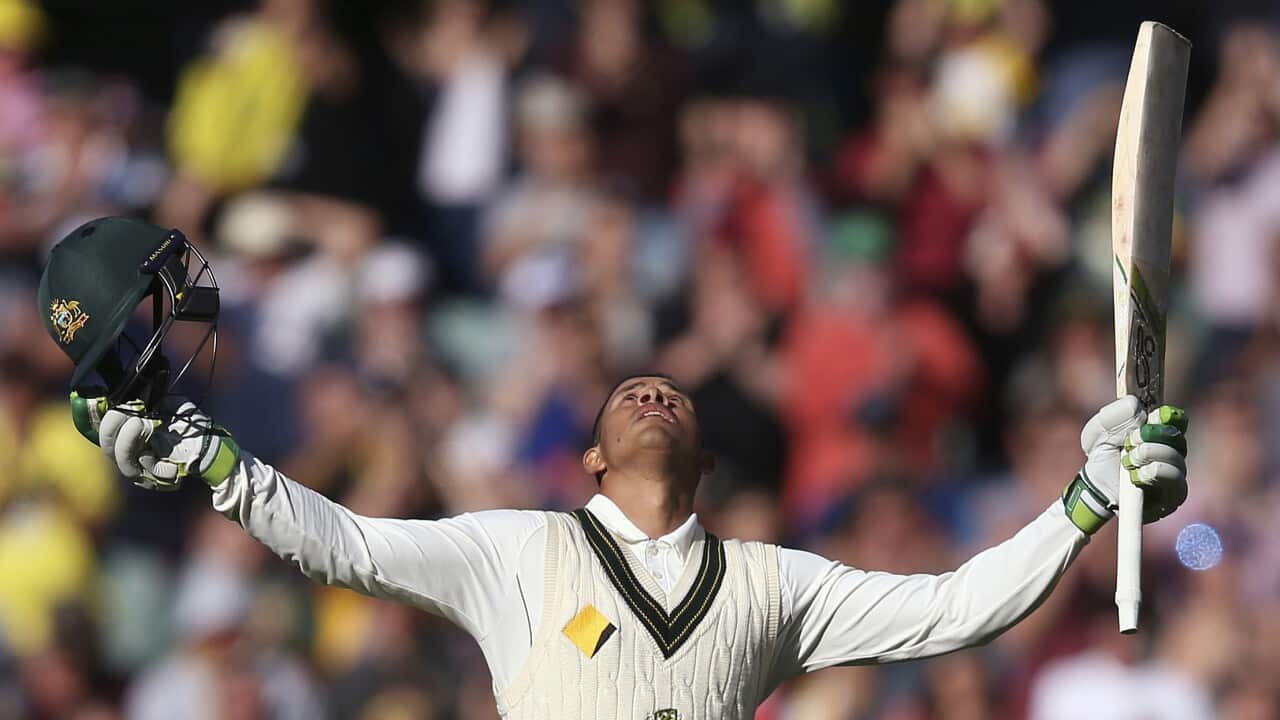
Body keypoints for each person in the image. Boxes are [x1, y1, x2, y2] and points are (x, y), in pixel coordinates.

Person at [43, 220, 1191, 720]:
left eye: (671, 393)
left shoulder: (772, 582)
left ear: (698, 454)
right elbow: (341, 542)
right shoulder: (514, 550)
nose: (651, 389)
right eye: (625, 393)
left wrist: (1083, 502)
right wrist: (214, 460)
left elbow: (954, 610)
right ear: (588, 457)